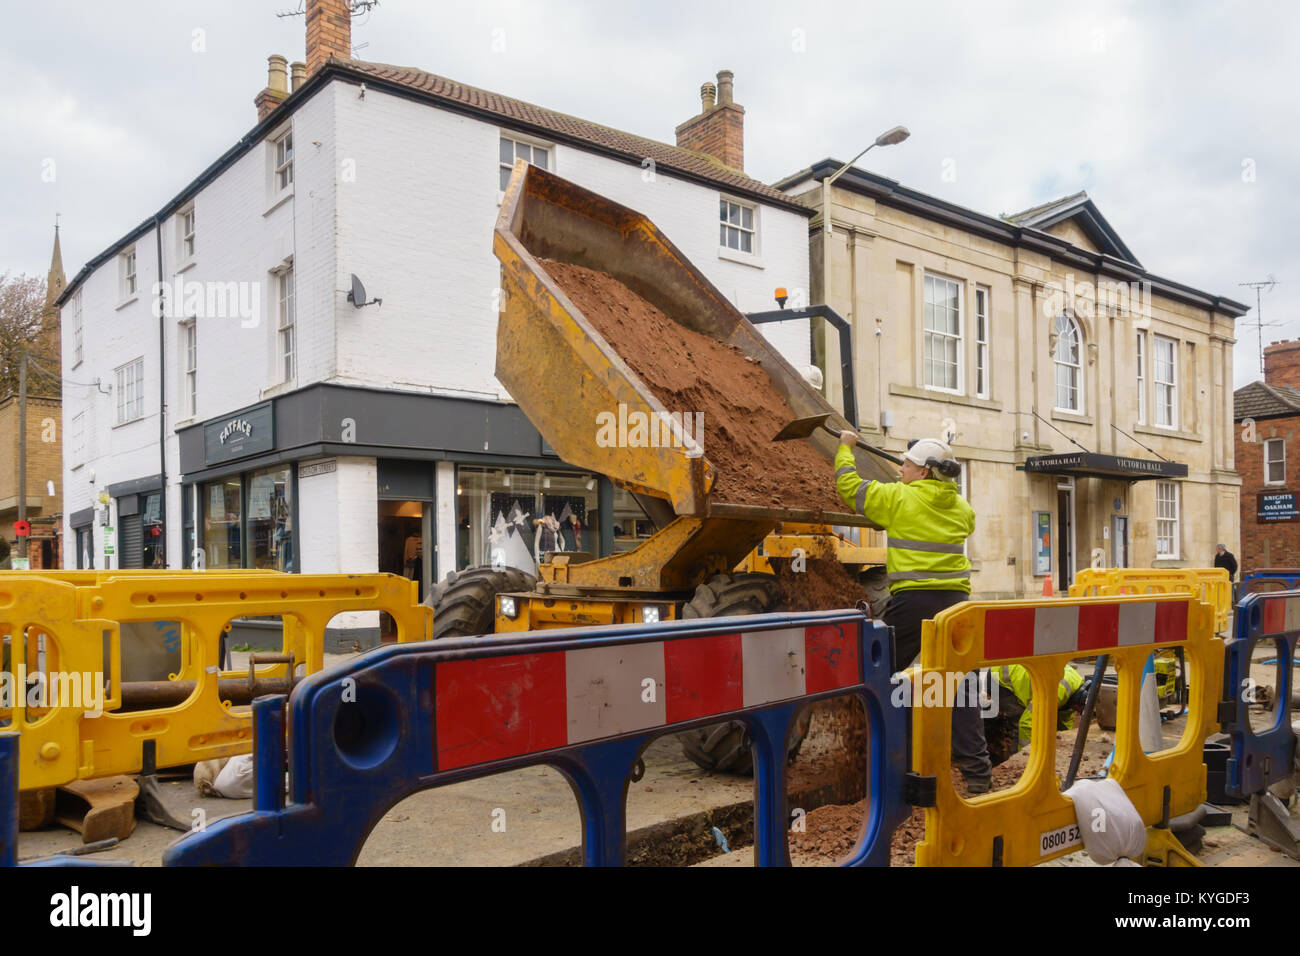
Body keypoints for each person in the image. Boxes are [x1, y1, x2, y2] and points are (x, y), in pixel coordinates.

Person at [835, 431, 993, 792]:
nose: (900, 469)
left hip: (913, 603)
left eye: (906, 465)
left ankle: (893, 771)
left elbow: (850, 487)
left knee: (882, 674)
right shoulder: (962, 509)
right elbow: (960, 515)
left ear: (924, 472)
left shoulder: (897, 499)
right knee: (961, 685)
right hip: (956, 605)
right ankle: (979, 778)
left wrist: (845, 448)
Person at [986, 663, 1088, 764]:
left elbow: (1063, 721)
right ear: (1078, 702)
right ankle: (1018, 763)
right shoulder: (1058, 690)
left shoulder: (1074, 690)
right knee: (1019, 721)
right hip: (999, 678)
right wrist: (1028, 755)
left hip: (1020, 676)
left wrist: (1063, 745)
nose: (1079, 713)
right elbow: (1026, 724)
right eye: (1081, 710)